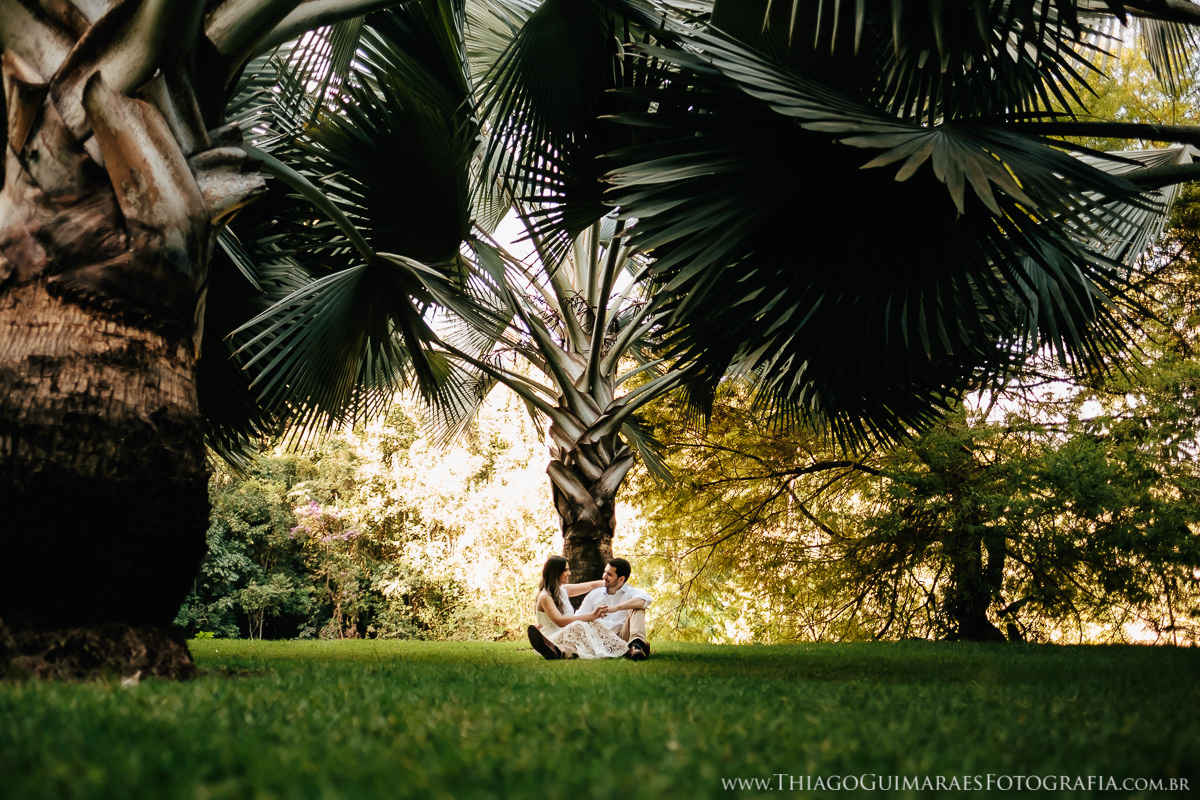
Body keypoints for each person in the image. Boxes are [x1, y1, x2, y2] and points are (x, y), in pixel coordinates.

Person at [527, 556, 630, 660]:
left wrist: (612, 583)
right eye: (566, 570)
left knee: (592, 623)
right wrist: (592, 615)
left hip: (565, 636)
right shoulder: (545, 596)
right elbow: (560, 622)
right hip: (550, 639)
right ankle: (551, 649)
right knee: (579, 625)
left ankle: (622, 648)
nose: (569, 573)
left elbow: (590, 586)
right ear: (556, 572)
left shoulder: (562, 590)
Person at [579, 557, 652, 660]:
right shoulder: (594, 594)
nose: (604, 576)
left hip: (621, 636)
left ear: (621, 579)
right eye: (605, 572)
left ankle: (636, 646)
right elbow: (579, 616)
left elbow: (646, 600)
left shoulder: (630, 592)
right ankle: (634, 648)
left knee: (638, 608)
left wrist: (616, 608)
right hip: (599, 637)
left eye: (609, 574)